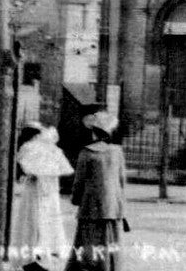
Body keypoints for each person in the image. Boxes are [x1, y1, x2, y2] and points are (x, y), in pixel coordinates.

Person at [65, 111, 126, 271]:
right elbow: (121, 181)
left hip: (90, 205)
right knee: (108, 239)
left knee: (86, 239)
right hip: (111, 206)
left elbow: (79, 181)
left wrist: (76, 199)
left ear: (94, 133)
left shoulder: (86, 153)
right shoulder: (117, 152)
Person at [12, 123, 74, 271]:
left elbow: (26, 168)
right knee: (42, 219)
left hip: (39, 189)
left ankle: (34, 251)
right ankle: (37, 252)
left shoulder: (32, 148)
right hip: (45, 190)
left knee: (35, 219)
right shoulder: (42, 148)